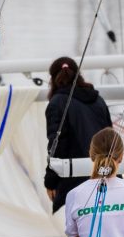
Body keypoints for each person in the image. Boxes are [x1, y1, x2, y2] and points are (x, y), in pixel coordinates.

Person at [45, 57, 112, 215]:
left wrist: (51, 181)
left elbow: (57, 145)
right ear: (78, 75)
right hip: (107, 175)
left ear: (52, 79)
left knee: (78, 234)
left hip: (75, 181)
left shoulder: (56, 103)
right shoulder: (98, 100)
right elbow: (110, 137)